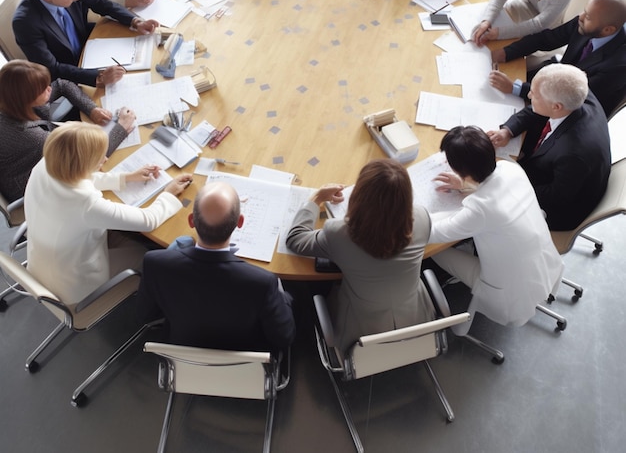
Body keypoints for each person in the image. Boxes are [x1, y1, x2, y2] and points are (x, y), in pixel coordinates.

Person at [25, 123, 192, 305]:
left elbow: (77, 176)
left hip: (42, 262)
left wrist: (125, 177)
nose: (104, 159)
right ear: (83, 164)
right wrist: (168, 193)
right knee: (149, 255)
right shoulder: (86, 204)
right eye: (98, 158)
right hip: (74, 286)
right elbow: (148, 220)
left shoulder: (45, 165)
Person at [286, 159, 434, 353]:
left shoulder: (338, 233)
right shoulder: (422, 218)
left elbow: (296, 239)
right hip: (418, 322)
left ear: (358, 196)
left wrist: (316, 199)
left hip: (361, 336)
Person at [428, 126, 564, 335]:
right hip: (544, 264)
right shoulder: (511, 169)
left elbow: (433, 232)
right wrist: (465, 184)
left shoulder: (480, 209)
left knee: (436, 251)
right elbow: (496, 193)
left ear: (460, 170)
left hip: (507, 292)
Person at [136, 182, 296, 352]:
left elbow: (146, 315)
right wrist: (283, 296)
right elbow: (284, 338)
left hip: (180, 357)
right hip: (241, 362)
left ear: (191, 221)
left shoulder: (155, 263)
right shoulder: (262, 282)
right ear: (240, 223)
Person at [488, 65, 611, 231]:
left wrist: (506, 187)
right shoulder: (576, 93)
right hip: (558, 173)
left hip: (558, 210)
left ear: (556, 107)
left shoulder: (574, 154)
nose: (529, 95)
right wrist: (507, 131)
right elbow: (536, 110)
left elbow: (555, 197)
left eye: (534, 95)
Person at [13, 0, 158, 87]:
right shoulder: (25, 23)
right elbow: (52, 68)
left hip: (92, 47)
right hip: (71, 75)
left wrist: (135, 21)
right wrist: (98, 77)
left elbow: (99, 3)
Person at [0, 60, 135, 203]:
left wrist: (92, 109)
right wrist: (121, 128)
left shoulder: (13, 103)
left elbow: (62, 84)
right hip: (34, 191)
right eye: (43, 89)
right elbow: (86, 159)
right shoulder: (33, 137)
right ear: (26, 98)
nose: (49, 89)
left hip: (41, 157)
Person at [489, 0, 626, 116]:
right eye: (585, 11)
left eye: (588, 16)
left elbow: (571, 97)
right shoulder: (587, 22)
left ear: (608, 30)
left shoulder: (618, 66)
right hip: (554, 82)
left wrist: (516, 88)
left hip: (572, 111)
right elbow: (547, 39)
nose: (581, 17)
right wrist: (506, 52)